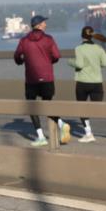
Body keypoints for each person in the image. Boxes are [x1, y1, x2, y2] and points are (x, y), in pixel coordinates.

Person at [14, 15, 69, 147]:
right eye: (44, 23)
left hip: (31, 79)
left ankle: (41, 137)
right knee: (48, 104)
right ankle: (62, 124)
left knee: (32, 107)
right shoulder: (48, 39)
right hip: (47, 78)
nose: (46, 24)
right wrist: (48, 62)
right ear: (38, 25)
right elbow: (56, 56)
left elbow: (16, 56)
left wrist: (21, 61)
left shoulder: (24, 40)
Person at [67, 27, 106, 143]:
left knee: (82, 109)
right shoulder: (99, 48)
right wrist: (95, 66)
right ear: (92, 36)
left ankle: (88, 133)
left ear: (82, 36)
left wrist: (70, 62)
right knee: (98, 107)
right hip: (97, 83)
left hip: (83, 83)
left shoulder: (79, 48)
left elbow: (80, 64)